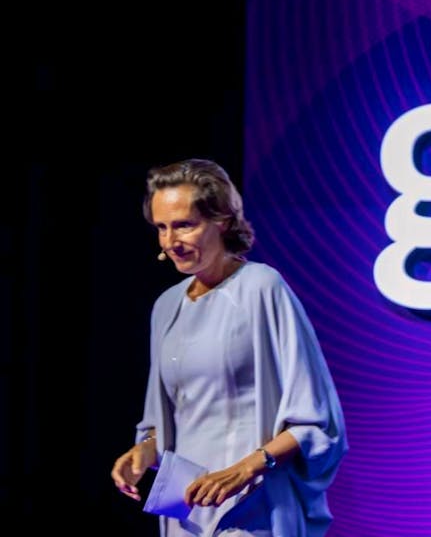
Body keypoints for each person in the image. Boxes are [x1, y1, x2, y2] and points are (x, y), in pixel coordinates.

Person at [110, 158, 347, 536]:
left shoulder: (261, 287)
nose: (171, 241)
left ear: (221, 220)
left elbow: (316, 422)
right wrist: (144, 452)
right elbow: (166, 420)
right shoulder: (166, 305)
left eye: (184, 225)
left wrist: (246, 468)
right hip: (185, 508)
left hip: (253, 505)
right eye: (162, 228)